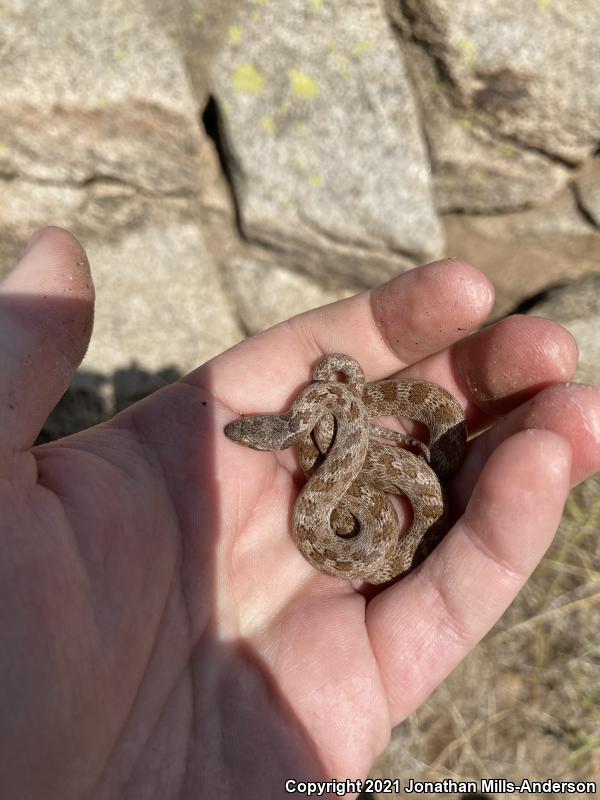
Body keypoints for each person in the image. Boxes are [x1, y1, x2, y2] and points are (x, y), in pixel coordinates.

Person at [1, 226, 598, 800]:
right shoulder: (322, 431)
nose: (242, 433)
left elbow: (345, 421)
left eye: (250, 433)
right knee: (387, 511)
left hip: (365, 462)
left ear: (277, 436)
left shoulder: (329, 416)